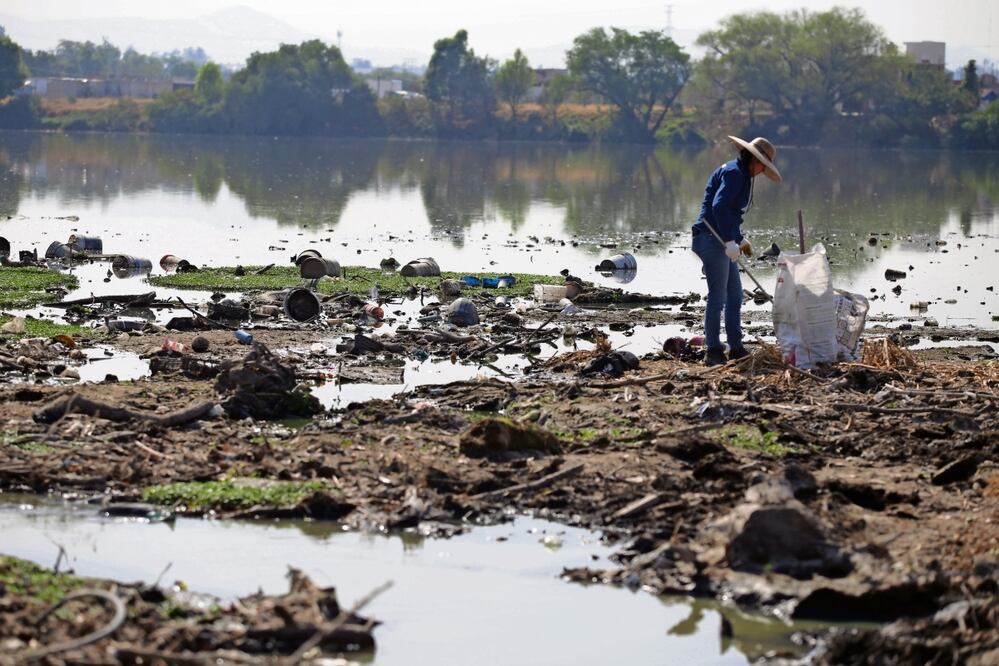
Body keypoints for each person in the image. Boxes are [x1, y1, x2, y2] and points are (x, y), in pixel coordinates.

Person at [691, 136, 781, 366]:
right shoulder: (734, 173)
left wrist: (739, 240)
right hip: (711, 239)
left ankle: (736, 347)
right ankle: (712, 350)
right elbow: (718, 207)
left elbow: (729, 213)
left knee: (735, 296)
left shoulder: (741, 173)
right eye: (762, 164)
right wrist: (730, 241)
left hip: (722, 239)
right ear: (753, 158)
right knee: (718, 296)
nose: (762, 170)